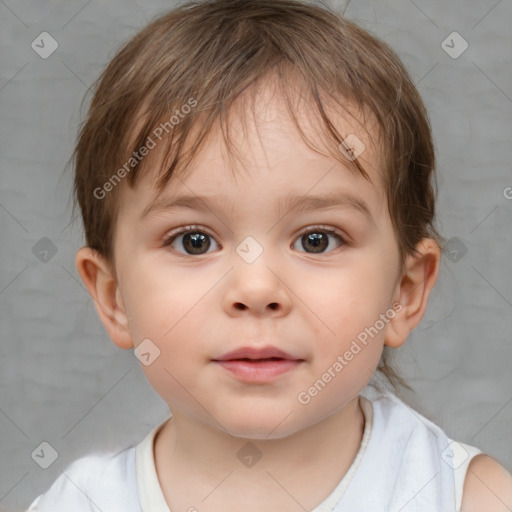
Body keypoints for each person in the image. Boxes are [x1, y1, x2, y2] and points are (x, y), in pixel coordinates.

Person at [27, 0, 512, 510]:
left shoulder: (467, 498)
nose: (256, 290)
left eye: (316, 239)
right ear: (113, 297)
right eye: (194, 240)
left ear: (404, 292)